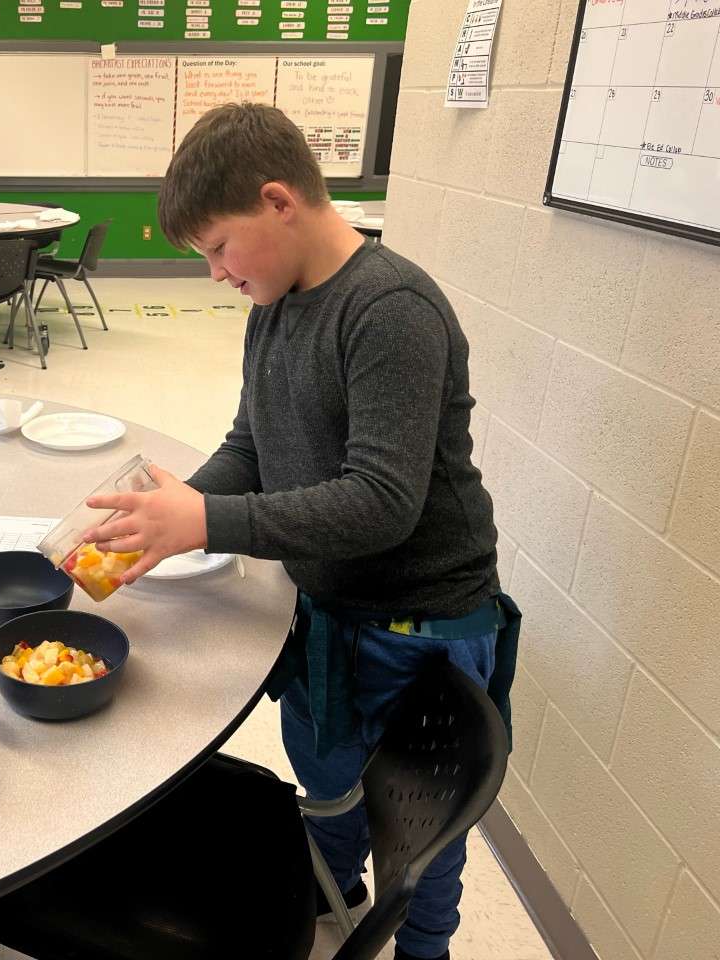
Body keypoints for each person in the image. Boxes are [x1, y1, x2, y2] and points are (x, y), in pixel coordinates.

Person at [81, 102, 520, 960]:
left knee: (416, 836)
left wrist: (208, 520)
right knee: (328, 781)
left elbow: (381, 502)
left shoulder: (390, 308)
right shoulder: (273, 307)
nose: (213, 273)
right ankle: (328, 889)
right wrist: (181, 514)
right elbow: (253, 441)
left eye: (216, 247)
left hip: (416, 625)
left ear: (279, 201)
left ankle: (423, 946)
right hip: (329, 607)